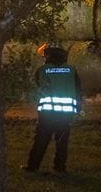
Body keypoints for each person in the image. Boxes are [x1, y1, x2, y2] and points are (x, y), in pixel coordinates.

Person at [23, 44, 82, 174]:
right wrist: (78, 108)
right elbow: (78, 90)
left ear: (48, 57)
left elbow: (36, 88)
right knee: (62, 142)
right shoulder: (71, 70)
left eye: (44, 56)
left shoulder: (42, 70)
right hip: (66, 114)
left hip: (47, 114)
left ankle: (32, 167)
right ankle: (60, 168)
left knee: (41, 140)